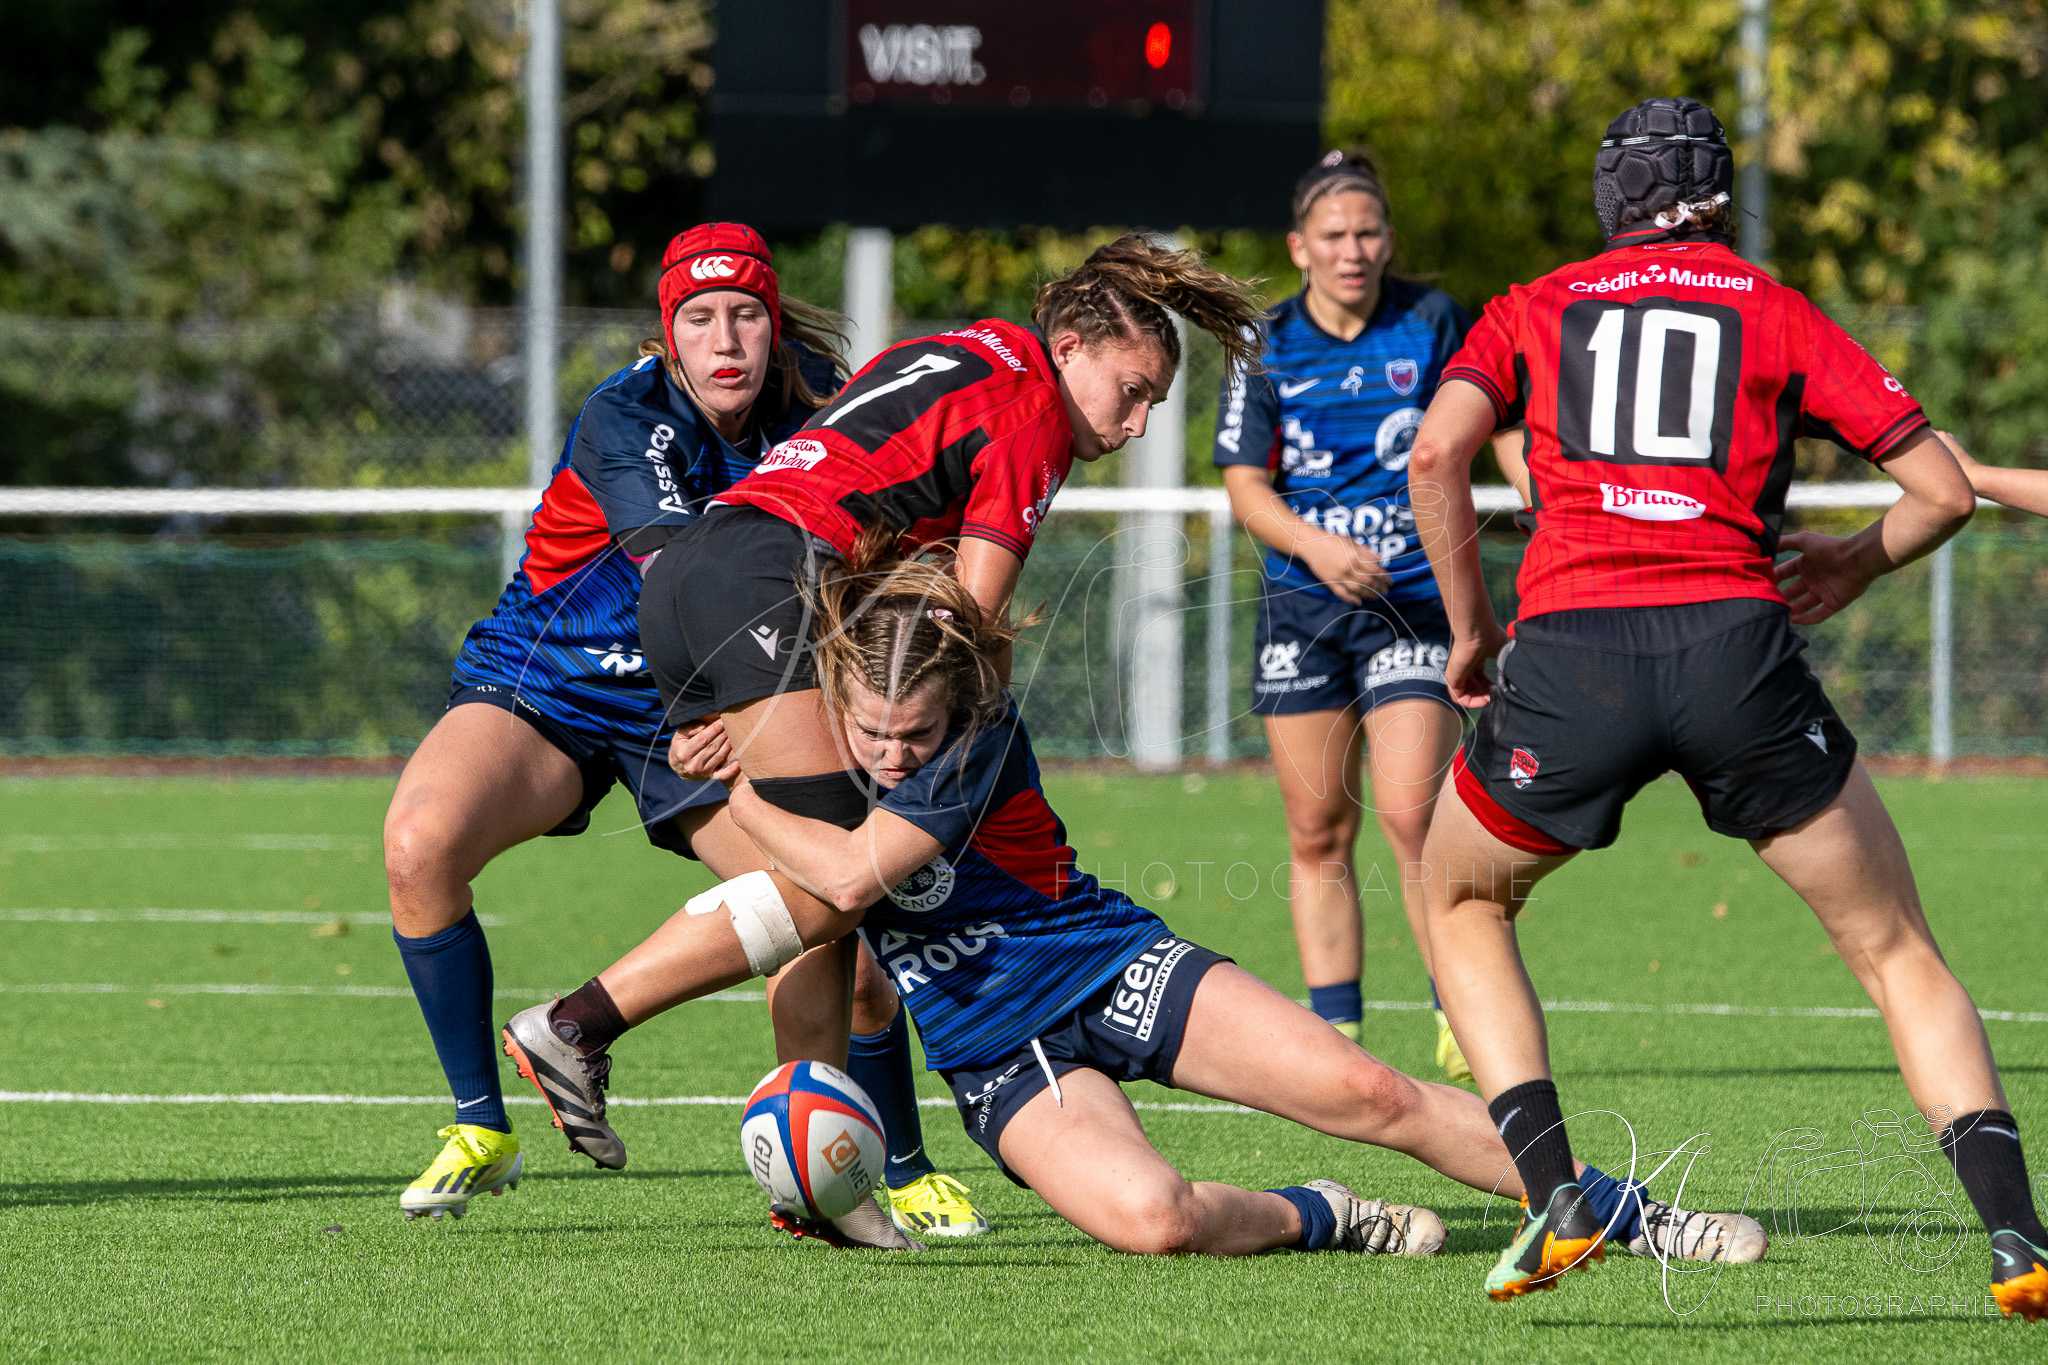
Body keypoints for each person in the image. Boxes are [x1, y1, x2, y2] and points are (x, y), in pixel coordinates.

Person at [510, 543, 1766, 1260]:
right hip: (992, 1051)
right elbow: (772, 904)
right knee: (1153, 1223)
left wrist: (732, 789)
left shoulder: (977, 740)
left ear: (954, 709)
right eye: (870, 732)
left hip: (1111, 966)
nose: (890, 754)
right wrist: (732, 769)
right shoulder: (818, 749)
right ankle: (1325, 1219)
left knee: (1369, 1092)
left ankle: (1634, 1218)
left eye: (912, 734)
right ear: (835, 699)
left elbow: (839, 879)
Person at [1406, 96, 2047, 1319]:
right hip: (1733, 656)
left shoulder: (1533, 306)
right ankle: (2016, 1238)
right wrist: (1853, 563)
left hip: (1572, 658)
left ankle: (1555, 1194)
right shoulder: (1771, 308)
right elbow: (1940, 491)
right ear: (1715, 195)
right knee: (1893, 951)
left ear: (1609, 199)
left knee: (1458, 899)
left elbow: (1434, 457)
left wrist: (1471, 629)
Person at [500, 235, 1269, 1247]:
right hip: (767, 583)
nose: (1134, 425)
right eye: (1132, 393)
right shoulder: (1033, 411)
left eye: (1152, 406)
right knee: (840, 882)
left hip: (698, 577)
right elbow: (966, 622)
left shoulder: (969, 346)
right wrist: (967, 761)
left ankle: (816, 1189)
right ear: (1071, 347)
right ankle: (577, 1024)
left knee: (826, 910)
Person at [382, 222, 942, 1221]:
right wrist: (723, 697)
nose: (725, 340)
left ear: (774, 323)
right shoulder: (627, 416)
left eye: (746, 315)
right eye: (700, 318)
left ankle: (882, 1171)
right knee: (418, 845)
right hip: (554, 676)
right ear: (667, 333)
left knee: (828, 914)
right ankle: (480, 1125)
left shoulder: (823, 404)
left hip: (700, 696)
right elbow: (679, 579)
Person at [1215, 149, 1514, 1080]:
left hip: (1414, 606)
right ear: (1299, 247)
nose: (1354, 250)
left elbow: (1496, 425)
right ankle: (1336, 1036)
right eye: (1335, 235)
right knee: (1316, 830)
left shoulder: (1432, 321)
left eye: (1369, 232)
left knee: (1413, 811)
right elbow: (1246, 486)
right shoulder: (1263, 342)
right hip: (1303, 611)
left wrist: (1546, 495)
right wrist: (1316, 546)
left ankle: (1460, 1010)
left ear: (1389, 240)